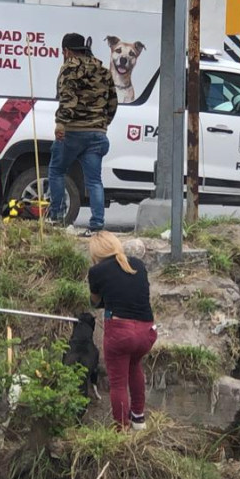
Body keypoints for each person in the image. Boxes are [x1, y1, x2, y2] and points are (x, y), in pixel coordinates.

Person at [49, 33, 118, 237]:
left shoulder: (70, 68)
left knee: (57, 170)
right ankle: (97, 226)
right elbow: (112, 102)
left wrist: (61, 124)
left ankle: (56, 217)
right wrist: (102, 124)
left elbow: (67, 99)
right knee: (94, 180)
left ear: (67, 51)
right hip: (97, 133)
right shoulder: (103, 71)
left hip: (73, 131)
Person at [88, 231, 156, 430]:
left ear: (96, 253)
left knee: (118, 383)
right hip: (146, 332)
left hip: (121, 332)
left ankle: (121, 429)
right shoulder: (138, 264)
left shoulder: (97, 271)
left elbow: (94, 302)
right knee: (135, 367)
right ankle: (138, 418)